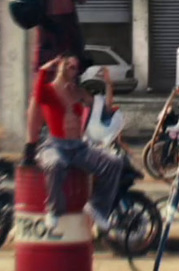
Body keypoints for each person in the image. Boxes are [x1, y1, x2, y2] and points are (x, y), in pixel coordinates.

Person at [24, 55, 124, 233]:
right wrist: (45, 69)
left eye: (74, 67)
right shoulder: (48, 90)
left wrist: (108, 84)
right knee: (55, 164)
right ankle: (54, 210)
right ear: (59, 65)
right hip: (56, 145)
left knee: (114, 163)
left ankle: (98, 207)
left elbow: (104, 108)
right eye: (68, 65)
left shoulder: (78, 92)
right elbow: (37, 95)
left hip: (79, 147)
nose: (71, 69)